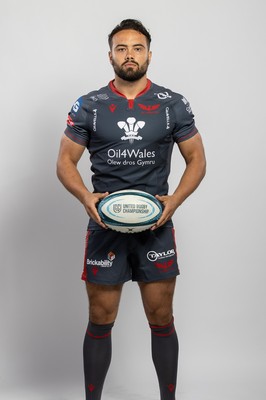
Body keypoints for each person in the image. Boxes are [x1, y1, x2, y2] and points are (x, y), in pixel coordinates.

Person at [56, 19, 206, 400]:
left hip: (156, 226)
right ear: (110, 56)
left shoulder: (172, 104)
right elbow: (64, 162)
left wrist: (174, 201)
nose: (129, 55)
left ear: (149, 55)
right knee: (100, 317)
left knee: (160, 317)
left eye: (137, 48)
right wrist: (86, 198)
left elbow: (197, 160)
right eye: (121, 48)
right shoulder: (89, 105)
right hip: (105, 227)